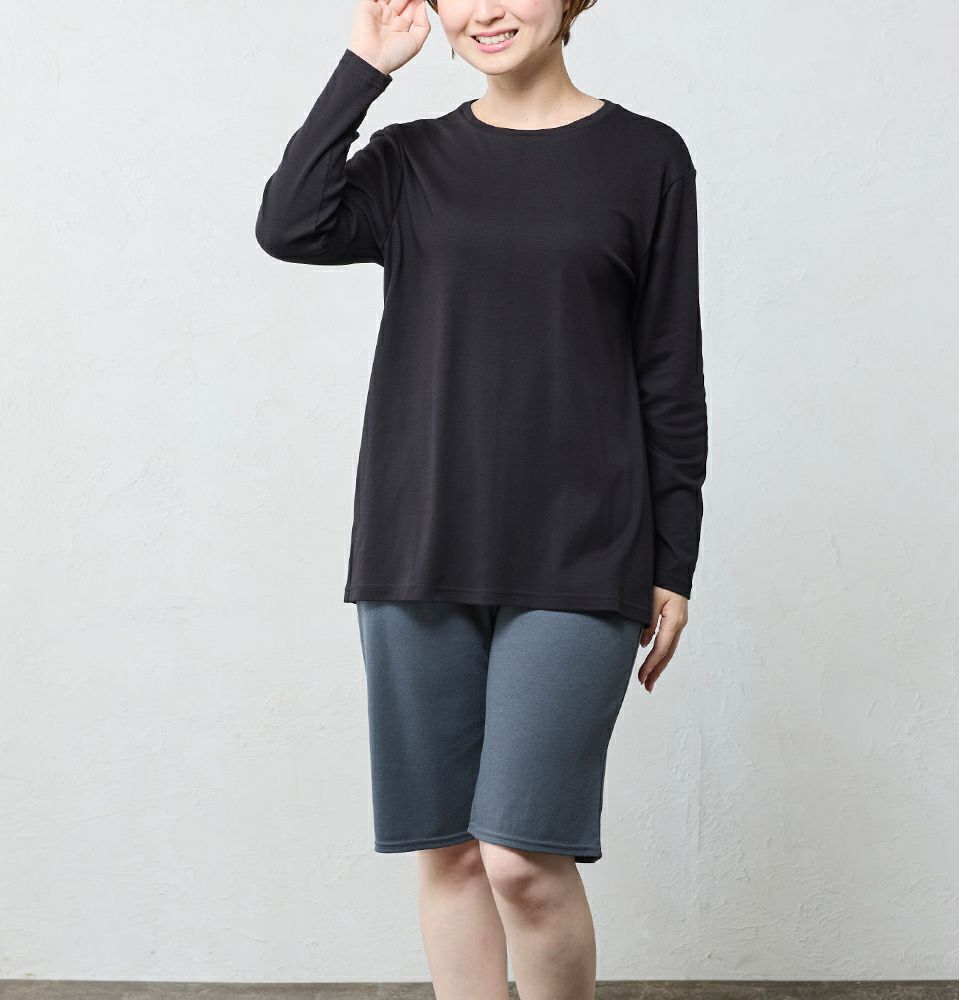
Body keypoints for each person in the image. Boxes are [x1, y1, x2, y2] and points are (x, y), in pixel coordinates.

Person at [255, 0, 708, 996]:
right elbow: (289, 223)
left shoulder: (647, 159)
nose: (485, 9)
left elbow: (670, 372)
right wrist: (364, 68)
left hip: (584, 548)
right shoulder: (410, 161)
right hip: (418, 544)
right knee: (452, 855)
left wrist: (674, 560)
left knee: (522, 861)